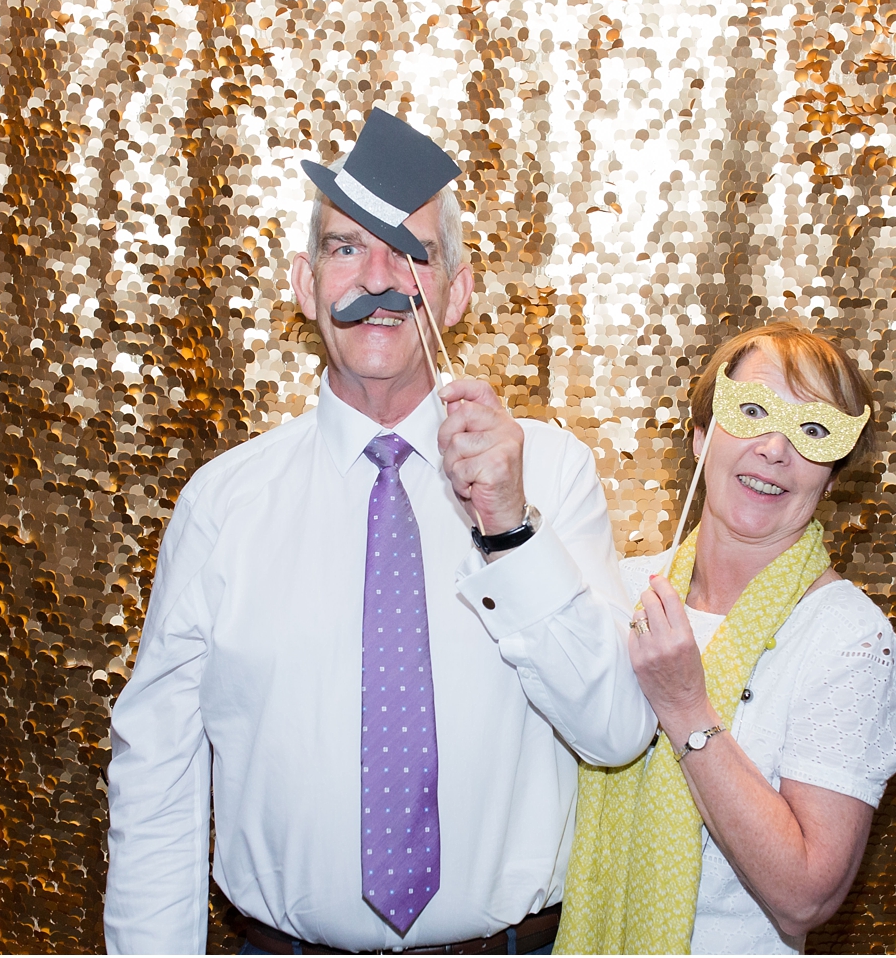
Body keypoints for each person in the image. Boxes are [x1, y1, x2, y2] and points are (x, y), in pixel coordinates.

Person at [103, 108, 656, 954]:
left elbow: (617, 730)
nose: (378, 277)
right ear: (304, 284)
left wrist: (509, 529)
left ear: (457, 293)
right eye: (345, 247)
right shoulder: (223, 504)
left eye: (411, 251)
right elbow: (158, 774)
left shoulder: (551, 475)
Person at [557, 322, 896, 955]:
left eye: (812, 432)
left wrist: (686, 706)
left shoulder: (849, 640)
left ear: (831, 477)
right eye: (752, 412)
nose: (775, 448)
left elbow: (807, 895)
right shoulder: (622, 591)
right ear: (701, 437)